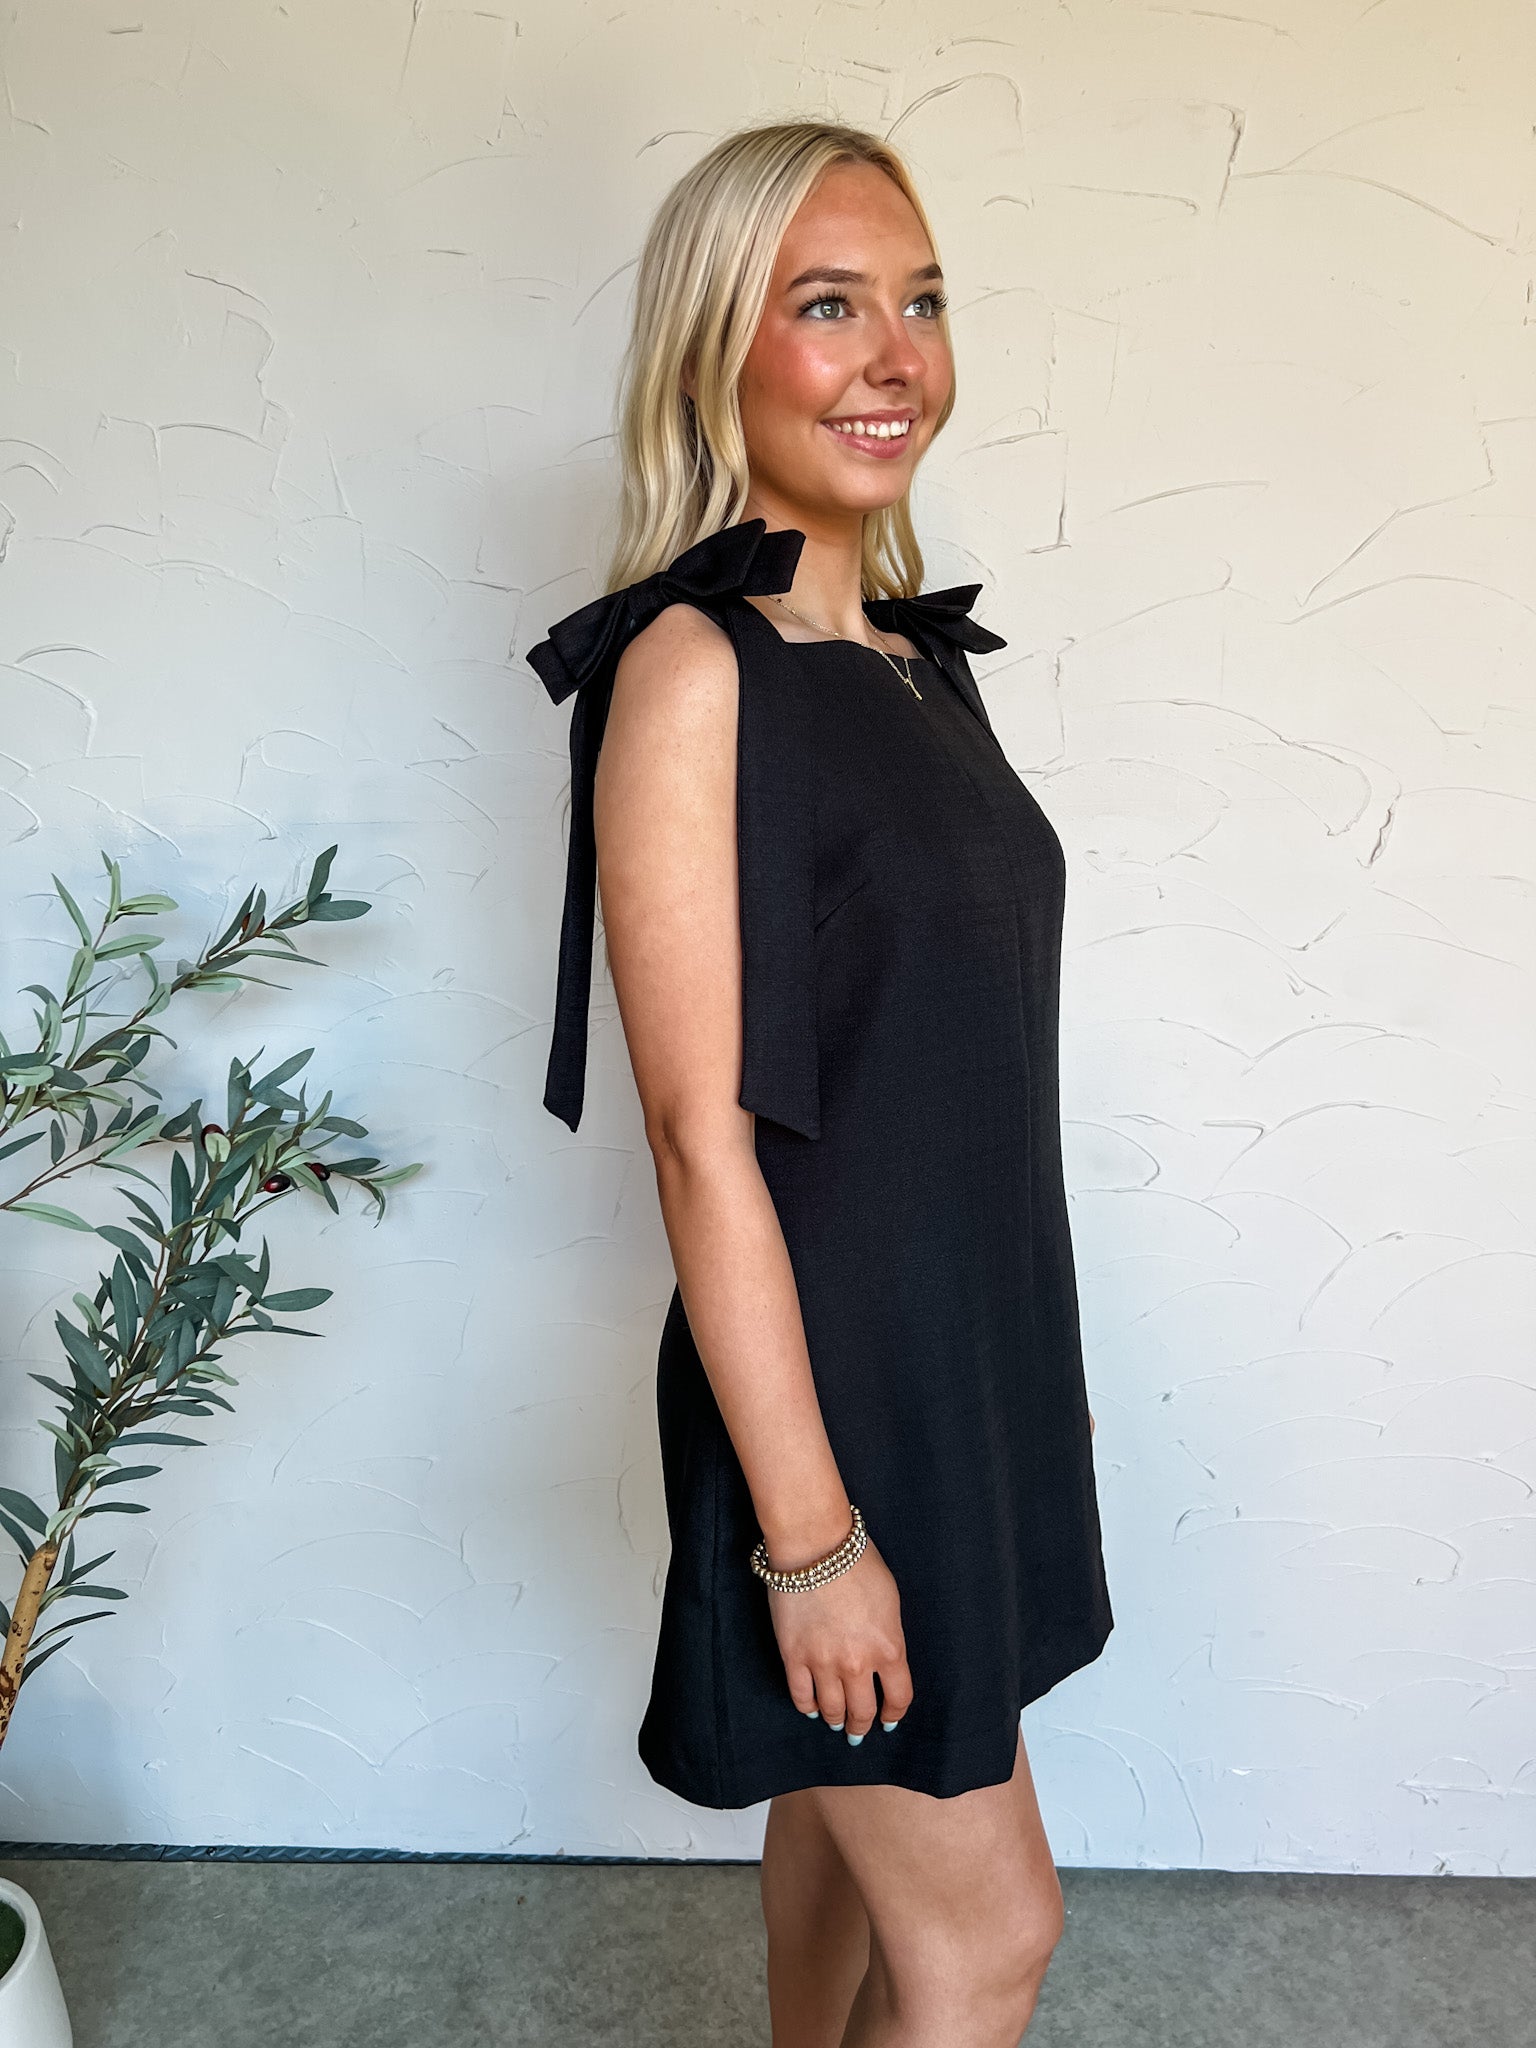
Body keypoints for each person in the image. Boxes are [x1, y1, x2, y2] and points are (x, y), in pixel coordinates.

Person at [529, 118, 1113, 2048]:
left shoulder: (919, 663)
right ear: (722, 344)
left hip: (962, 1370)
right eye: (830, 306)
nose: (894, 357)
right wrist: (815, 1538)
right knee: (990, 1937)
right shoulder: (696, 671)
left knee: (847, 1854)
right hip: (834, 1402)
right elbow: (699, 1141)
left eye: (921, 304)